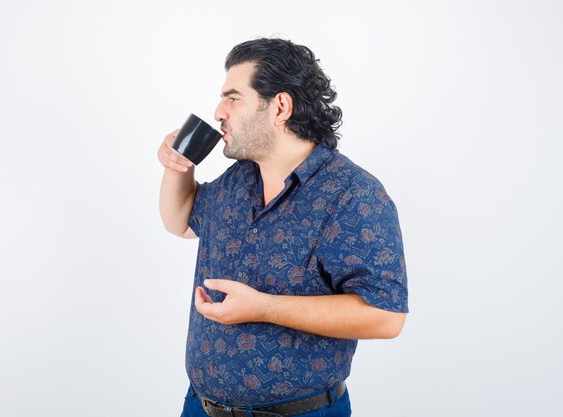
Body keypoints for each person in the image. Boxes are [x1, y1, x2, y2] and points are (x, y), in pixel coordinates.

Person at [158, 38, 408, 417]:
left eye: (233, 97)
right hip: (200, 407)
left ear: (280, 106)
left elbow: (386, 317)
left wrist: (264, 307)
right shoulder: (237, 180)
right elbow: (179, 222)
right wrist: (179, 165)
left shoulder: (352, 194)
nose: (218, 111)